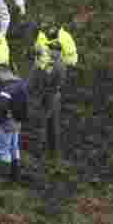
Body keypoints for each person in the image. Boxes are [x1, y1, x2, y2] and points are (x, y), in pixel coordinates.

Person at [29, 19, 78, 156]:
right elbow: (39, 52)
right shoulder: (41, 36)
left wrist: (55, 64)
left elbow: (71, 60)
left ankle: (46, 148)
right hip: (44, 77)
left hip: (53, 82)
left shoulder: (64, 39)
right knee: (47, 117)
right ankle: (47, 148)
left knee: (46, 118)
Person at [0, 64, 29, 181]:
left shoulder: (8, 89)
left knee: (3, 151)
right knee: (14, 148)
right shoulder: (21, 84)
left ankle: (4, 179)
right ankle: (15, 176)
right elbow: (25, 106)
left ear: (2, 73)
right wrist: (19, 121)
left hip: (5, 123)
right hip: (17, 122)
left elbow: (1, 107)